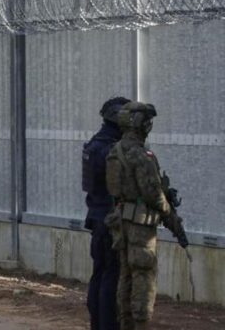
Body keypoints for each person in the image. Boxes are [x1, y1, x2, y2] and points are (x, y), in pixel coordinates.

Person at [106, 102, 188, 330]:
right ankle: (140, 324)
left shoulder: (116, 150)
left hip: (122, 223)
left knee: (126, 275)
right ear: (140, 124)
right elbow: (153, 193)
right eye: (147, 121)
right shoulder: (140, 155)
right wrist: (171, 217)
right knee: (143, 275)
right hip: (141, 228)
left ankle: (126, 324)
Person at [82, 96, 129, 330]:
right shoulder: (112, 150)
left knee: (99, 275)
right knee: (111, 278)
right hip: (111, 223)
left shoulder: (93, 145)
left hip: (96, 219)